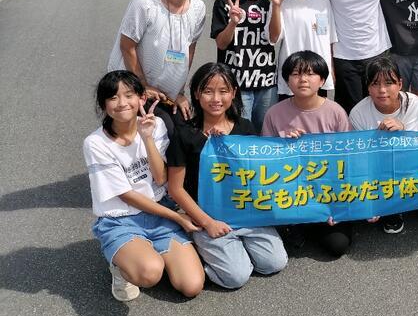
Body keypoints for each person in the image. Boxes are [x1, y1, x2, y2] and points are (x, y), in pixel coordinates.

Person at [83, 70, 205, 301]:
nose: (122, 103)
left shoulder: (155, 125)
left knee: (192, 285)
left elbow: (160, 178)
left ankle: (145, 253)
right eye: (113, 97)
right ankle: (121, 266)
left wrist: (147, 137)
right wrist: (178, 217)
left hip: (160, 213)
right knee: (150, 273)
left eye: (129, 95)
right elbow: (126, 195)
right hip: (121, 219)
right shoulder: (96, 143)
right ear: (104, 105)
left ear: (142, 98)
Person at [166, 62, 288, 289]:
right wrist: (207, 222)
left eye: (223, 91)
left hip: (246, 211)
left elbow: (259, 174)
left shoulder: (245, 128)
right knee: (236, 277)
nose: (216, 99)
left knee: (274, 263)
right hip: (207, 215)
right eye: (208, 91)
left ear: (233, 93)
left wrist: (287, 144)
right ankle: (201, 252)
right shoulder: (185, 134)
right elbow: (175, 188)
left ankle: (231, 252)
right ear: (196, 94)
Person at [262, 51, 355, 256]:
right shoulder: (274, 113)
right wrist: (284, 147)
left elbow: (348, 159)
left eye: (311, 74)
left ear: (322, 80)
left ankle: (313, 222)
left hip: (328, 190)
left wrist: (338, 203)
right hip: (291, 190)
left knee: (337, 245)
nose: (303, 79)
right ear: (287, 80)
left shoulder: (335, 112)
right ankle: (299, 222)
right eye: (296, 74)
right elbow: (266, 161)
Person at [108, 0, 206, 137]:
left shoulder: (198, 7)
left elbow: (190, 48)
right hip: (133, 87)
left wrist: (179, 91)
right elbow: (127, 46)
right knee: (156, 133)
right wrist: (142, 85)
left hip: (168, 92)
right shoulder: (145, 3)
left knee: (184, 134)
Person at [349, 56, 418, 234]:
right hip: (376, 169)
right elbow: (361, 158)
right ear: (368, 87)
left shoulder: (414, 102)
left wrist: (402, 129)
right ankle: (383, 204)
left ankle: (396, 207)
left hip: (406, 163)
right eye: (375, 84)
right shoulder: (358, 113)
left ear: (400, 84)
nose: (382, 90)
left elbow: (416, 147)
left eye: (389, 83)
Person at [210, 0, 280, 130]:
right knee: (241, 133)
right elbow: (221, 44)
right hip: (235, 84)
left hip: (266, 81)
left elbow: (274, 38)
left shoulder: (267, 4)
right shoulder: (224, 2)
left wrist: (276, 6)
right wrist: (233, 23)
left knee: (266, 131)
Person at [271, 0, 338, 102]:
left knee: (318, 112)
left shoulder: (323, 0)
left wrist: (331, 69)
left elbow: (327, 38)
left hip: (318, 73)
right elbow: (273, 37)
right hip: (292, 73)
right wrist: (276, 5)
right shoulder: (280, 1)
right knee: (289, 113)